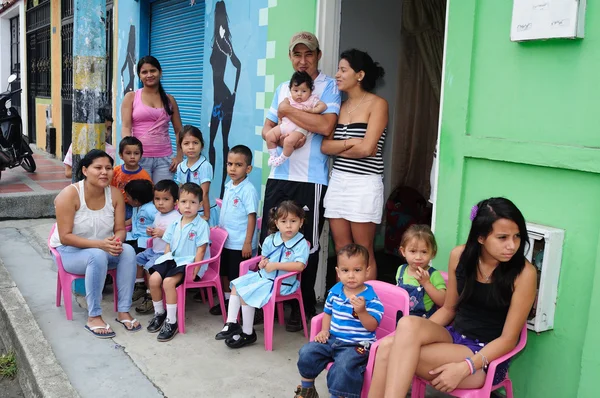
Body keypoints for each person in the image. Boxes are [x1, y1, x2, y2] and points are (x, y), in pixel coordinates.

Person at [368, 197, 538, 397]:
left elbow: (509, 340)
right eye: (502, 237)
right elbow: (449, 309)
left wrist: (465, 367)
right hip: (453, 336)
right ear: (481, 238)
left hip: (484, 357)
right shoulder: (460, 256)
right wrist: (412, 338)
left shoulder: (524, 274)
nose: (512, 245)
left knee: (389, 350)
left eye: (517, 236)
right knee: (406, 327)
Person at [261, 31, 341, 331]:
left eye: (308, 54)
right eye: (297, 54)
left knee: (306, 243)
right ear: (290, 57)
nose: (303, 60)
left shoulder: (329, 87)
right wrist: (275, 131)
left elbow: (325, 125)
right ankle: (264, 298)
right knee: (268, 238)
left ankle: (301, 305)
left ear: (318, 55)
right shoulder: (283, 86)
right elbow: (268, 126)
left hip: (311, 179)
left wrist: (288, 111)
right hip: (278, 175)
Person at [49, 150, 140, 338]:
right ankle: (94, 316)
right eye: (97, 168)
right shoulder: (70, 194)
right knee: (96, 255)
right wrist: (100, 245)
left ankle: (123, 311)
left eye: (108, 168)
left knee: (128, 251)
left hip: (100, 248)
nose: (104, 172)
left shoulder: (114, 194)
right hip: (70, 251)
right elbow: (65, 236)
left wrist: (115, 242)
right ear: (85, 170)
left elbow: (120, 229)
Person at [321, 49, 388, 280]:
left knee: (363, 250)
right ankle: (344, 305)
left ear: (359, 75)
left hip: (364, 184)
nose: (337, 75)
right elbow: (324, 147)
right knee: (342, 249)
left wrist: (341, 146)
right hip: (339, 181)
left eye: (343, 70)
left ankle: (366, 306)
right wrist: (351, 142)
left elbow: (368, 149)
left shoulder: (377, 104)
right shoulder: (338, 106)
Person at [215, 201, 309, 348]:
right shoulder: (271, 239)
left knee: (246, 293)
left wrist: (275, 265)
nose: (289, 226)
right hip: (265, 278)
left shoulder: (301, 244)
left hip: (282, 284)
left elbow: (300, 266)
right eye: (284, 221)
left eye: (293, 221)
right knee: (237, 285)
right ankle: (232, 322)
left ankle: (247, 333)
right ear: (277, 223)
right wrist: (262, 263)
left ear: (301, 222)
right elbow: (264, 257)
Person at [294, 244, 384, 398]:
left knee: (343, 367)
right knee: (307, 352)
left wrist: (362, 311)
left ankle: (339, 395)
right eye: (345, 270)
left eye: (357, 270)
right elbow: (327, 313)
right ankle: (307, 389)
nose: (351, 276)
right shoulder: (335, 292)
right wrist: (324, 330)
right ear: (338, 272)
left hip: (357, 345)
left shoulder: (371, 299)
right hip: (333, 339)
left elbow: (372, 326)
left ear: (367, 271)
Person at [146, 182, 211, 342]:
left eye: (193, 202)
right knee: (154, 279)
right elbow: (168, 244)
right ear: (177, 204)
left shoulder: (202, 225)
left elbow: (201, 250)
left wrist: (195, 271)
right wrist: (164, 262)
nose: (188, 206)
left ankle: (171, 321)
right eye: (183, 202)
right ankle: (160, 313)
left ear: (200, 204)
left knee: (168, 282)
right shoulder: (175, 223)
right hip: (173, 260)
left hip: (189, 264)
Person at [208, 145, 259, 316]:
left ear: (248, 168)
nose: (232, 168)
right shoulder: (229, 184)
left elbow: (251, 217)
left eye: (238, 165)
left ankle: (236, 307)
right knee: (223, 273)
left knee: (235, 277)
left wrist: (247, 243)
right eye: (230, 164)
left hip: (239, 244)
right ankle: (227, 301)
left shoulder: (248, 190)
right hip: (226, 241)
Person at [121, 55, 184, 183]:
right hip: (139, 158)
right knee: (141, 198)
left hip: (165, 160)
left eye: (153, 71)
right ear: (139, 75)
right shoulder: (131, 97)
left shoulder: (169, 100)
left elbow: (179, 131)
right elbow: (126, 127)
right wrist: (128, 154)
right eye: (144, 72)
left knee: (163, 199)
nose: (149, 75)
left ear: (160, 72)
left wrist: (179, 156)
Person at [209, 0, 242, 198]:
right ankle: (215, 185)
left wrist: (235, 93)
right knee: (213, 141)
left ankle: (221, 188)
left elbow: (237, 64)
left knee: (223, 142)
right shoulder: (217, 41)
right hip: (217, 99)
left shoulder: (223, 42)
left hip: (224, 98)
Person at [135, 180, 181, 314]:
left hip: (164, 254)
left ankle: (150, 296)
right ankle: (140, 285)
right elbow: (156, 230)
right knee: (136, 259)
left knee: (150, 269)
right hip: (153, 250)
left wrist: (163, 234)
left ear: (175, 202)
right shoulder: (158, 215)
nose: (160, 203)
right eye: (157, 199)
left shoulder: (176, 218)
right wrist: (151, 231)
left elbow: (178, 239)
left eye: (166, 199)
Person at [265, 71, 327, 167]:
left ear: (310, 91)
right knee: (269, 135)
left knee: (288, 141)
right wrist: (280, 121)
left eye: (304, 91)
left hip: (299, 129)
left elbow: (323, 106)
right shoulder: (288, 100)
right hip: (284, 125)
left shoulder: (311, 100)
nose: (299, 94)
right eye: (296, 90)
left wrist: (312, 110)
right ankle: (273, 156)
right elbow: (280, 112)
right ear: (290, 90)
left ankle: (282, 158)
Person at [396, 224, 446, 318]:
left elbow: (443, 302)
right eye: (413, 251)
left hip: (423, 323)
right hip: (402, 318)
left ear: (433, 253)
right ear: (403, 252)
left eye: (424, 252)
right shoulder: (401, 270)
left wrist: (426, 283)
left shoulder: (434, 275)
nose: (418, 257)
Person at [174, 125, 219, 227]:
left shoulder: (205, 166)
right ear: (180, 146)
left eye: (195, 143)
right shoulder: (181, 166)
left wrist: (206, 216)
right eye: (186, 143)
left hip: (204, 210)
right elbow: (180, 188)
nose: (191, 147)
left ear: (202, 145)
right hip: (189, 210)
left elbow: (205, 192)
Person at [123, 179, 157, 302]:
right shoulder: (136, 207)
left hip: (146, 241)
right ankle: (139, 283)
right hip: (134, 236)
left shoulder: (150, 209)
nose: (126, 198)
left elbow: (160, 220)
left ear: (136, 200)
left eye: (128, 196)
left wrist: (154, 230)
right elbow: (132, 220)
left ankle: (143, 286)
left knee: (133, 255)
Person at [111, 136, 152, 222]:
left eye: (136, 153)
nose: (132, 157)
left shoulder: (144, 176)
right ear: (121, 155)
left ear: (141, 155)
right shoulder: (115, 171)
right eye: (128, 153)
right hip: (116, 204)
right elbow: (110, 189)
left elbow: (148, 197)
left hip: (135, 207)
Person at [64, 114, 115, 179]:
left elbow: (110, 172)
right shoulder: (77, 145)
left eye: (108, 128)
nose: (106, 132)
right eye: (102, 127)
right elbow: (68, 173)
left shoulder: (111, 150)